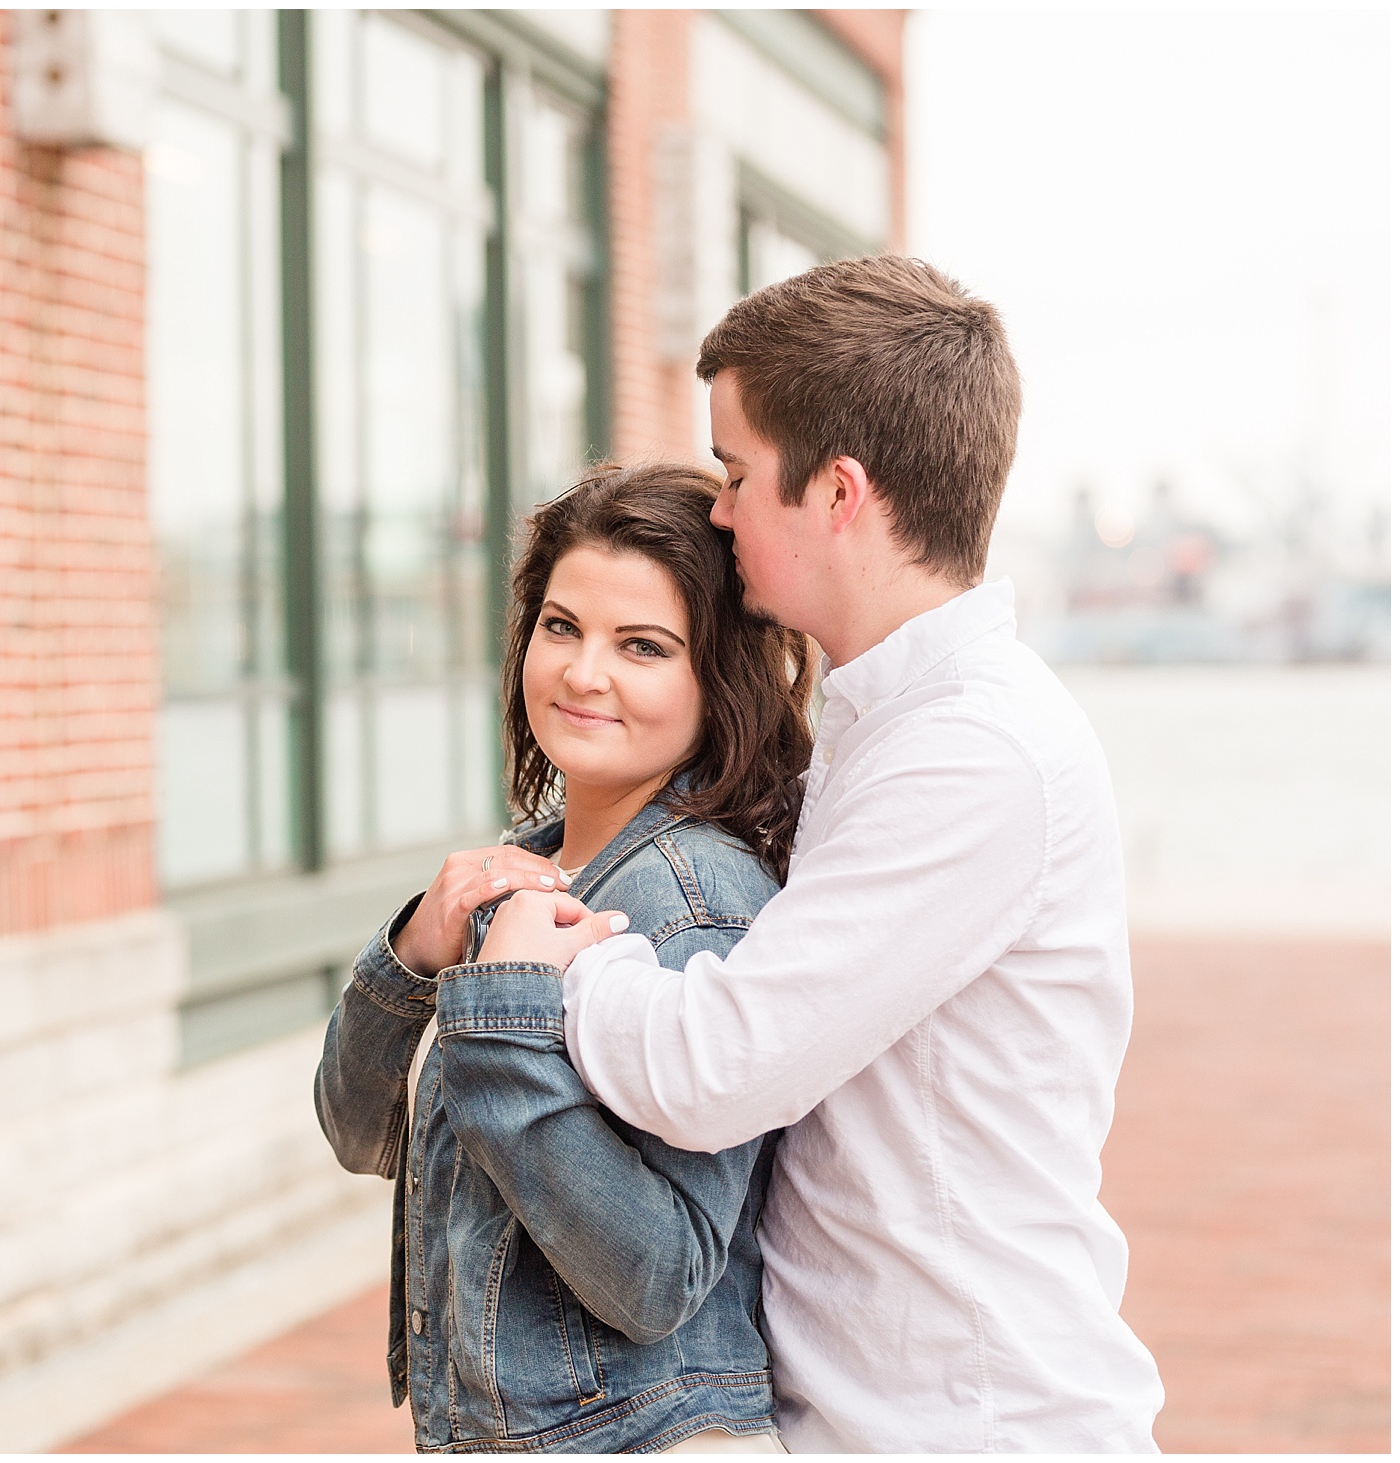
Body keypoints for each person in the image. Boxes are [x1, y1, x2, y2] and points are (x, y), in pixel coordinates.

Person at [477, 257, 1166, 1451]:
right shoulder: (884, 723)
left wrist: (547, 956)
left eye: (739, 474)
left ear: (838, 492)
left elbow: (716, 1067)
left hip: (969, 1419)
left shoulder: (973, 752)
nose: (721, 510)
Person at [314, 465, 814, 1453]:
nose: (583, 672)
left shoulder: (687, 898)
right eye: (560, 625)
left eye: (642, 645)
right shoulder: (529, 868)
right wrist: (418, 950)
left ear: (718, 676)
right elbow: (357, 1131)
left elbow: (658, 1274)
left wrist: (501, 1024)